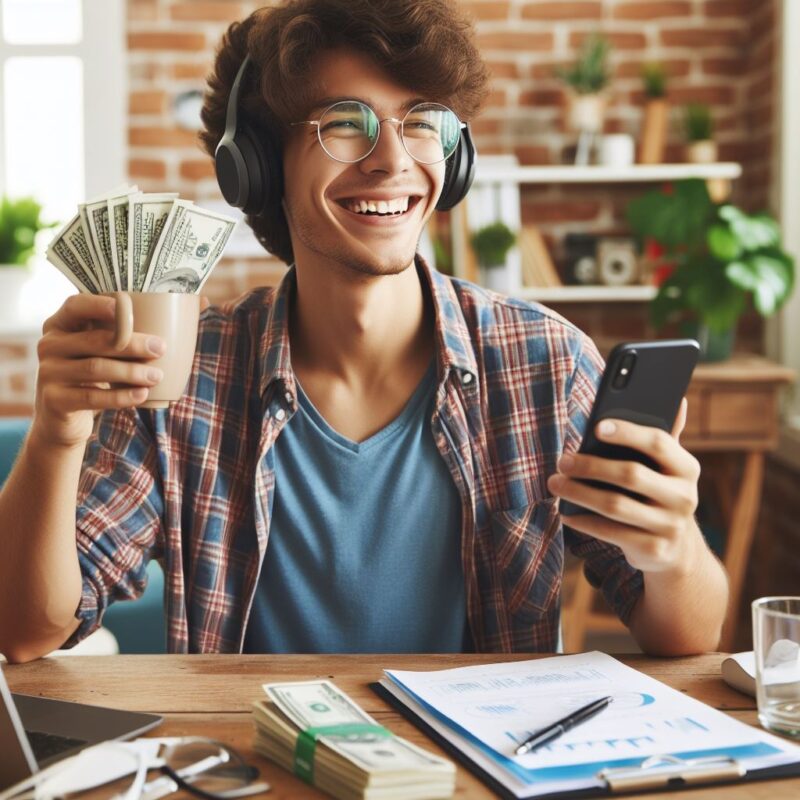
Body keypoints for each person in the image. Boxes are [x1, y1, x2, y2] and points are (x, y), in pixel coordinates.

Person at [0, 0, 727, 663]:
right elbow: (26, 631)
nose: (393, 160)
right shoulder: (183, 370)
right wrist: (57, 432)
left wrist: (673, 549)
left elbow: (689, 637)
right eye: (345, 122)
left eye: (421, 122)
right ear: (254, 165)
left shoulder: (546, 363)